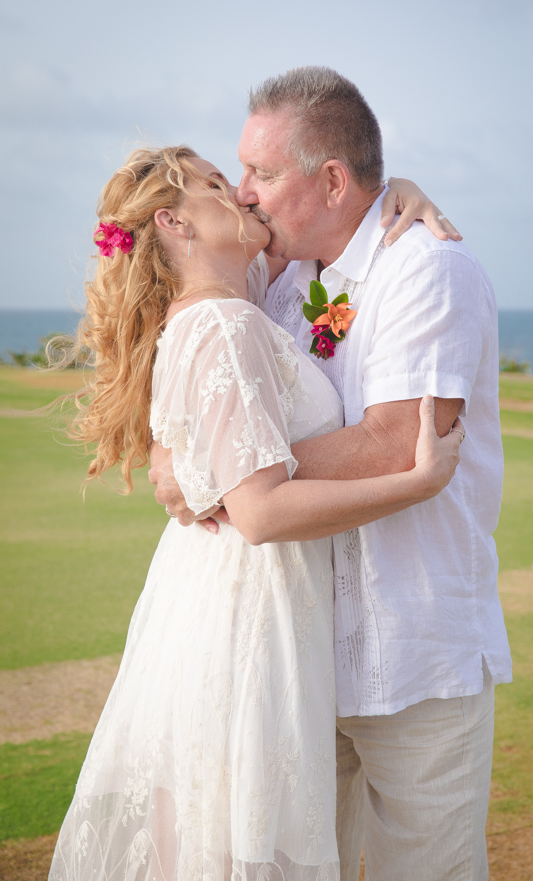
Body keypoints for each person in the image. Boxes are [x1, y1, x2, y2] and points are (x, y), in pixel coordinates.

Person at [48, 145, 463, 881]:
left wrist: (389, 188)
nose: (241, 194)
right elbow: (262, 510)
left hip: (218, 590)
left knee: (214, 825)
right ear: (175, 223)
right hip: (251, 600)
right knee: (245, 831)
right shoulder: (226, 323)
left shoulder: (234, 303)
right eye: (216, 187)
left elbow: (317, 221)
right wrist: (418, 482)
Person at [153, 67, 512, 881]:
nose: (243, 194)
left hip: (413, 656)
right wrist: (173, 451)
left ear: (334, 180)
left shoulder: (427, 270)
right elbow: (191, 364)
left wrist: (231, 478)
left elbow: (397, 443)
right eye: (238, 174)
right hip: (294, 660)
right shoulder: (277, 278)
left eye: (262, 174)